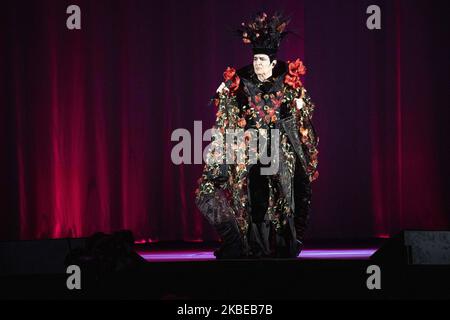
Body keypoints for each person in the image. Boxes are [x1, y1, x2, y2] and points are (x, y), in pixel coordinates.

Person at [195, 12, 319, 259]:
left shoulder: (289, 83)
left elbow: (303, 117)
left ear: (273, 63)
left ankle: (280, 244)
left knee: (285, 195)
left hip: (280, 149)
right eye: (256, 59)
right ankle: (242, 243)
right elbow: (227, 117)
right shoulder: (241, 84)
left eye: (263, 60)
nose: (258, 64)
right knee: (236, 194)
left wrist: (294, 117)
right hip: (248, 150)